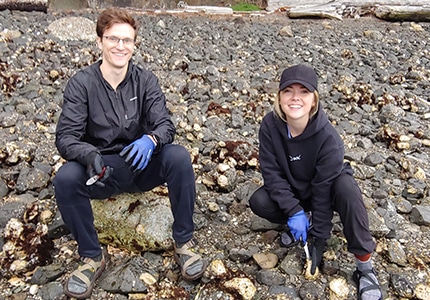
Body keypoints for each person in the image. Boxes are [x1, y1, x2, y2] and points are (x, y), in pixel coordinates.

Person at [53, 8, 206, 299]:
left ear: (134, 44)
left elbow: (165, 125)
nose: (120, 46)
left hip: (141, 165)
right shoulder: (81, 84)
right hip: (100, 171)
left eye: (127, 40)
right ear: (99, 42)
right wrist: (88, 154)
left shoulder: (145, 80)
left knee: (179, 157)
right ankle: (91, 257)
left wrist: (151, 140)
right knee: (64, 178)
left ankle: (183, 243)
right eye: (113, 39)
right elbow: (66, 137)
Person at [249, 64, 382, 300]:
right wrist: (294, 211)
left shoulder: (329, 139)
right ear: (279, 97)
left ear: (314, 100)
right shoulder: (269, 126)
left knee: (347, 190)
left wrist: (319, 241)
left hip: (327, 189)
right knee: (259, 201)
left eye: (304, 92)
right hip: (297, 190)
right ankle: (303, 220)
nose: (295, 98)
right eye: (288, 90)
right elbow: (271, 174)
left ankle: (365, 267)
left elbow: (322, 192)